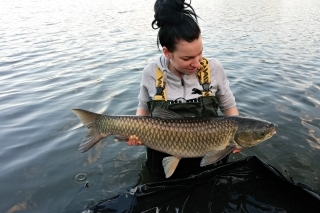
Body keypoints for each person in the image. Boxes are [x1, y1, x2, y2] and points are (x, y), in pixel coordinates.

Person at [128, 0, 240, 177]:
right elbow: (143, 108)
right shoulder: (151, 73)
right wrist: (136, 133)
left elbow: (229, 108)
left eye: (200, 53)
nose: (197, 63)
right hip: (162, 154)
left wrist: (237, 137)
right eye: (187, 58)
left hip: (209, 157)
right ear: (167, 53)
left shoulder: (214, 69)